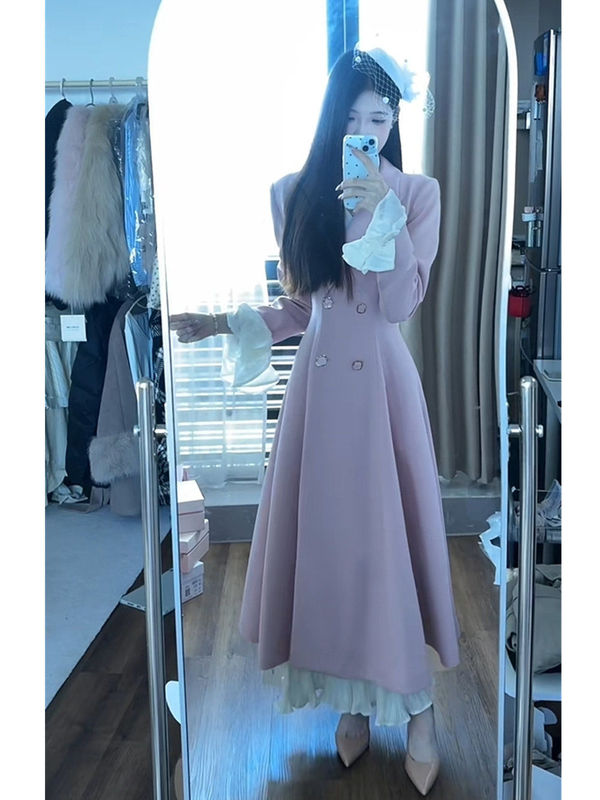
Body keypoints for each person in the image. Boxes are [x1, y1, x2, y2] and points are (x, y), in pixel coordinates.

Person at [170, 45, 461, 795]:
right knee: (332, 553)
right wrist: (222, 323)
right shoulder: (293, 192)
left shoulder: (417, 193)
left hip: (382, 394)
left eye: (382, 117)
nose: (369, 129)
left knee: (385, 551)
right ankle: (352, 703)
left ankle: (419, 712)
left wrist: (383, 208)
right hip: (319, 392)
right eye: (355, 116)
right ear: (332, 118)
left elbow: (399, 304)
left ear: (395, 122)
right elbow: (304, 307)